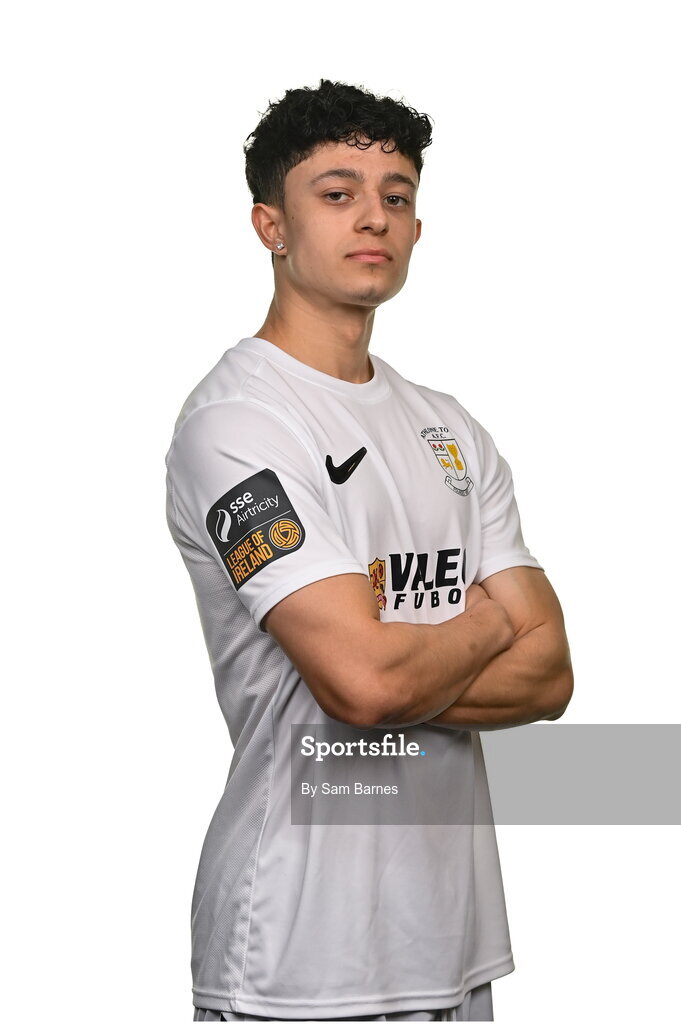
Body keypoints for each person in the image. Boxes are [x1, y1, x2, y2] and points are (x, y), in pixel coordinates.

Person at [164, 78, 573, 1023]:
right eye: (337, 192)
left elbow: (548, 676)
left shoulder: (450, 429)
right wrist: (483, 618)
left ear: (418, 230)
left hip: (450, 944)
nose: (373, 217)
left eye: (396, 195)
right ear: (271, 225)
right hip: (299, 956)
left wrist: (390, 649)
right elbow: (364, 688)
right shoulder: (236, 424)